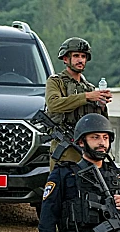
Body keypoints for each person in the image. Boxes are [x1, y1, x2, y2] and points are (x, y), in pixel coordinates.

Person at [45, 37, 112, 167]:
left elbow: (99, 121)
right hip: (65, 147)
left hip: (86, 148)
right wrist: (86, 97)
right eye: (76, 56)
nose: (80, 60)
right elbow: (54, 104)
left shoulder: (89, 87)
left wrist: (101, 105)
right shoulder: (56, 81)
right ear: (65, 59)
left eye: (83, 56)